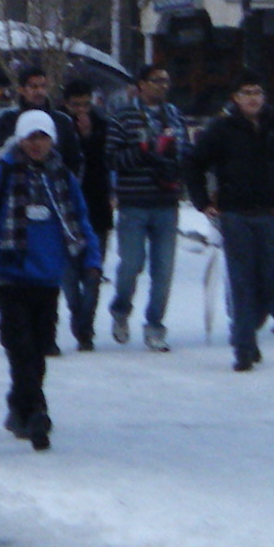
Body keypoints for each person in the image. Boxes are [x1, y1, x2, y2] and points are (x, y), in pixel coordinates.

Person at [0, 109, 98, 450]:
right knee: (19, 345)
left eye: (43, 137)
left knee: (38, 349)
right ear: (20, 140)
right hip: (10, 275)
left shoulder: (62, 178)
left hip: (47, 278)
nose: (36, 144)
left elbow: (80, 219)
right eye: (30, 137)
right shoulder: (2, 174)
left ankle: (19, 405)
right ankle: (37, 410)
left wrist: (90, 259)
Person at [185, 77, 274, 375]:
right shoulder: (222, 129)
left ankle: (245, 328)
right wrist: (202, 201)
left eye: (258, 92)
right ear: (235, 97)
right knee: (242, 282)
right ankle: (244, 347)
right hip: (235, 213)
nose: (253, 98)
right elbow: (194, 163)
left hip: (271, 213)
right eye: (246, 93)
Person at [105, 64, 190, 350]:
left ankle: (155, 324)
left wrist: (172, 156)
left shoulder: (175, 115)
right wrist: (142, 151)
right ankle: (120, 308)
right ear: (141, 84)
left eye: (166, 80)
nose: (163, 86)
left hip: (166, 201)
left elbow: (187, 154)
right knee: (131, 263)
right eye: (156, 80)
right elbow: (112, 158)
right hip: (134, 202)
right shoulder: (123, 116)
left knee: (163, 270)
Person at [59, 79, 116, 350]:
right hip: (64, 209)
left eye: (85, 104)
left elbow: (107, 162)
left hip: (96, 207)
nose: (81, 110)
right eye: (75, 105)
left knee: (93, 272)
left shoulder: (103, 126)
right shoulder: (57, 127)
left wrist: (89, 137)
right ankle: (76, 314)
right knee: (69, 275)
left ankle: (86, 327)